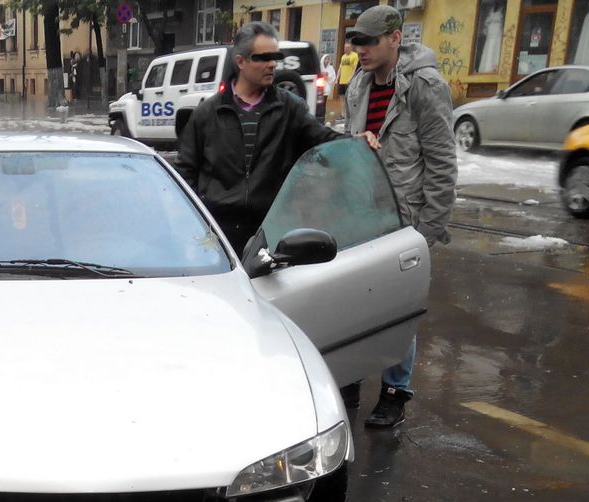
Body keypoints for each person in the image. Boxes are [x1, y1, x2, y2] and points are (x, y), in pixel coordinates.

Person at [343, 5, 457, 428]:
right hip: (362, 215)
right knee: (354, 301)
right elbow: (349, 145)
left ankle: (395, 390)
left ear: (395, 38)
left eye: (369, 41)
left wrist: (427, 231)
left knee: (399, 309)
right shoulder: (358, 85)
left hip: (405, 221)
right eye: (356, 41)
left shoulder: (424, 86)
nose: (361, 49)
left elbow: (442, 163)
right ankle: (351, 376)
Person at [175, 22, 345, 256]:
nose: (272, 64)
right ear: (241, 61)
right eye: (263, 58)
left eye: (275, 57)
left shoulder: (290, 109)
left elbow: (324, 142)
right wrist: (195, 221)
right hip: (217, 234)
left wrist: (357, 142)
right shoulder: (208, 113)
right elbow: (185, 173)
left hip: (271, 231)